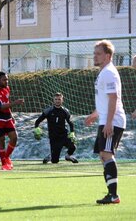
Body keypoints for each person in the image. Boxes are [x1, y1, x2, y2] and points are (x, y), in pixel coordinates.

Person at [85, 40, 125, 204]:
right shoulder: (104, 72)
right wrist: (95, 114)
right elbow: (105, 100)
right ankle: (111, 193)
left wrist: (108, 123)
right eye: (94, 53)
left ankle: (114, 195)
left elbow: (113, 98)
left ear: (107, 56)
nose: (95, 56)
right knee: (103, 155)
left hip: (112, 120)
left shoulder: (109, 72)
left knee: (107, 154)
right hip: (106, 119)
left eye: (98, 53)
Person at [0, 71, 24, 171]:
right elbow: (1, 106)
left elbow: (6, 103)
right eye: (4, 80)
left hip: (6, 118)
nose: (6, 81)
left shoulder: (7, 88)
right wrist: (15, 103)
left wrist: (11, 116)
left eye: (7, 79)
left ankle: (6, 157)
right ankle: (4, 164)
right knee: (2, 140)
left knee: (14, 137)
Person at [34, 92, 78, 164]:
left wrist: (72, 132)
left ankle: (68, 156)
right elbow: (38, 121)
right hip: (54, 137)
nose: (57, 101)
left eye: (59, 99)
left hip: (64, 135)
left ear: (62, 100)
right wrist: (36, 128)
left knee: (73, 146)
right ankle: (50, 156)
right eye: (56, 99)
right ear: (53, 100)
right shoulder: (48, 111)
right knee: (55, 161)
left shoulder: (65, 111)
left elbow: (70, 122)